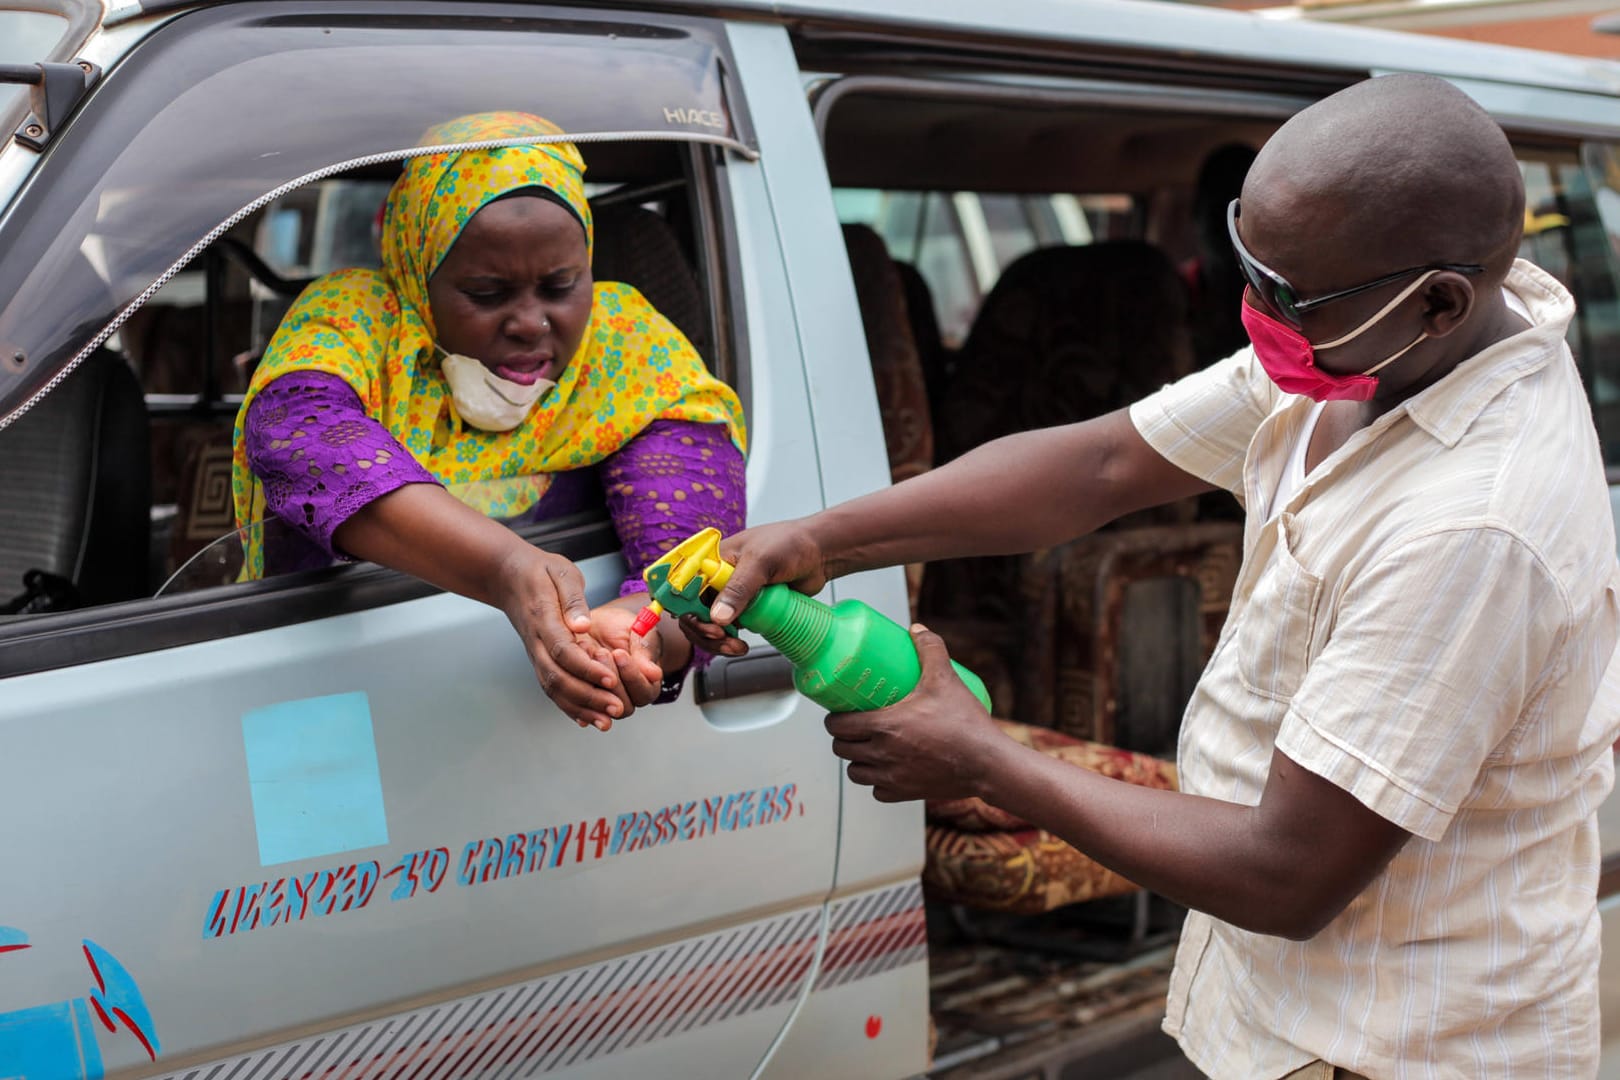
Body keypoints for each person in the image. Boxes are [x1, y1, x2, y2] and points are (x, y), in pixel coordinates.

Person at [683, 74, 1620, 1078]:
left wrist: (981, 759)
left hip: (1398, 1046)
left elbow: (1284, 874)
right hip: (1290, 1012)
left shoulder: (1473, 527)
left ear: (1438, 301)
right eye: (1244, 263)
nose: (1249, 309)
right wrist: (819, 539)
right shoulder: (1378, 338)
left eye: (1284, 293)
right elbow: (1103, 465)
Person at [231, 112, 747, 732]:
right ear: (420, 274)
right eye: (485, 292)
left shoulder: (628, 346)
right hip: (327, 707)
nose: (530, 322)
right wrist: (507, 569)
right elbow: (299, 435)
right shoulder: (358, 319)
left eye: (560, 286)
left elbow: (685, 546)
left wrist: (638, 639)